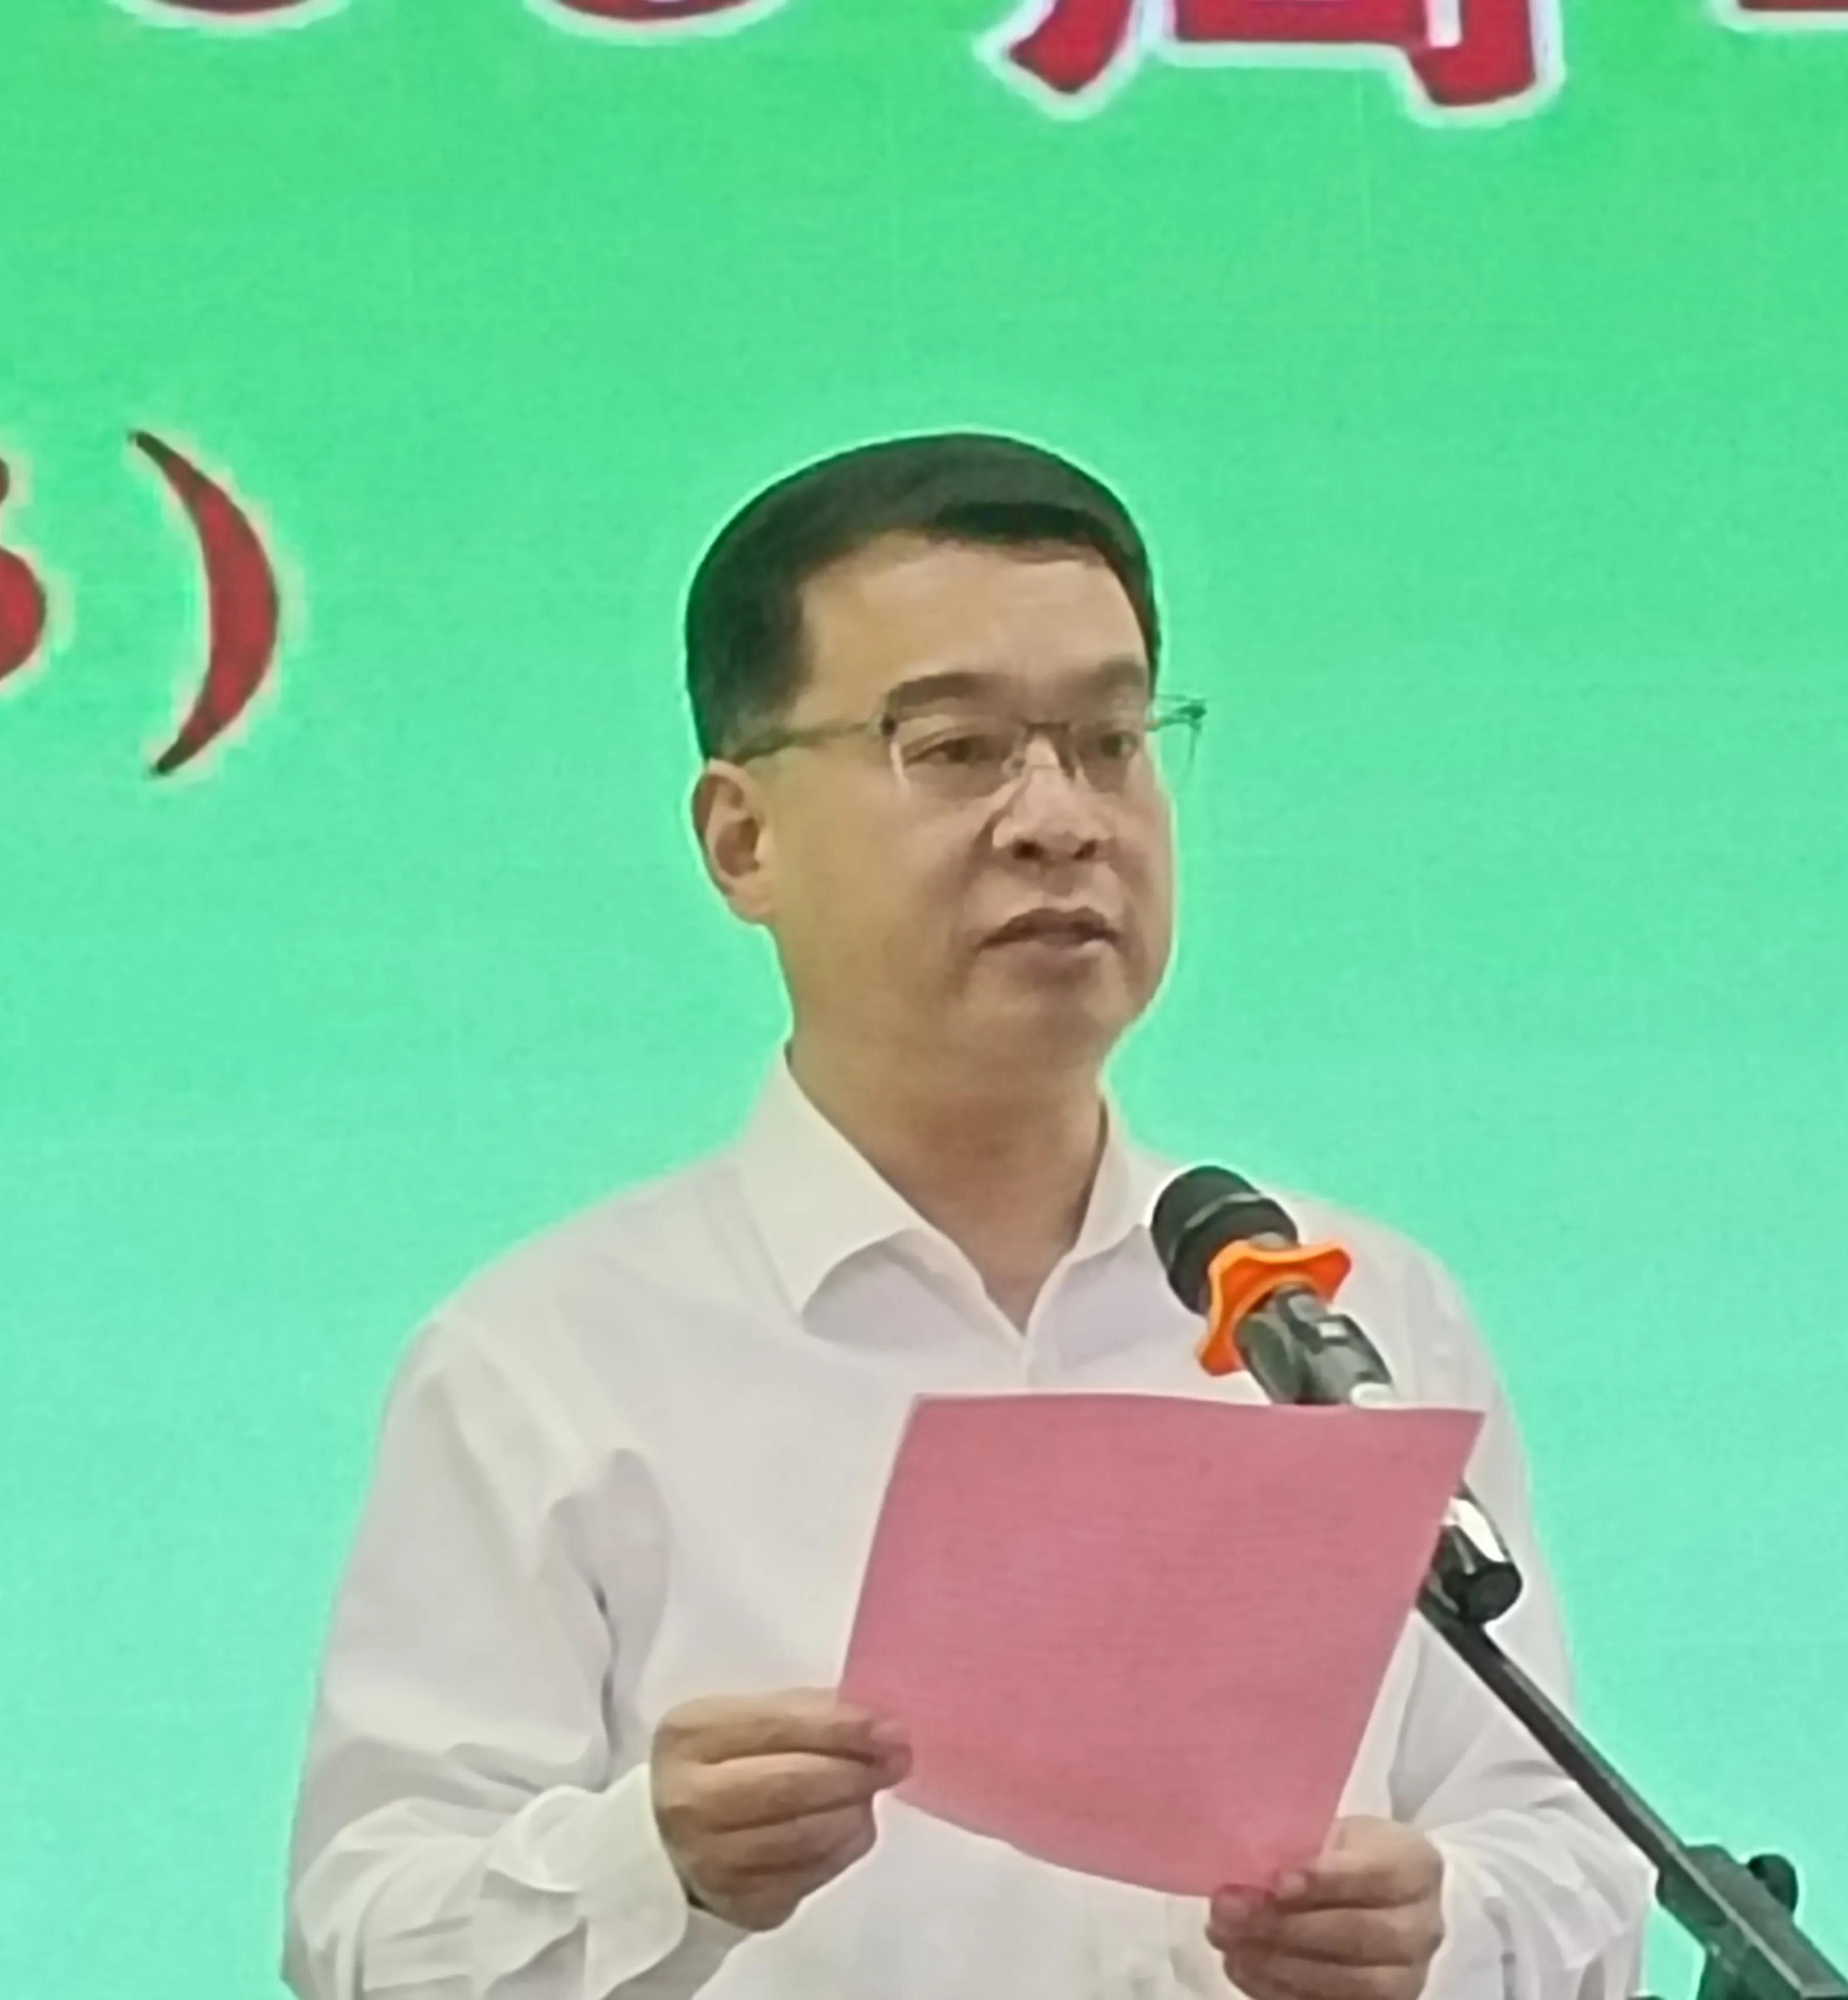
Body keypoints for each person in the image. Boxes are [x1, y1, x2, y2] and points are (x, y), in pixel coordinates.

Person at [282, 433, 1651, 2000]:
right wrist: (657, 1865)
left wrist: (1436, 1930)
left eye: (1113, 742)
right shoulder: (549, 1363)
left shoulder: (1349, 1318)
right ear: (742, 839)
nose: (1061, 819)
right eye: (955, 749)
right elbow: (361, 1941)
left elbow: (1568, 1859)